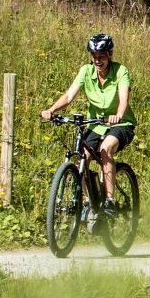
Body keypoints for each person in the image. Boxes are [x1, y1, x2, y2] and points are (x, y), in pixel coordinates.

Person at [42, 32, 134, 208]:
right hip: (96, 124)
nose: (97, 61)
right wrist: (51, 110)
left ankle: (110, 201)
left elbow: (124, 99)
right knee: (81, 157)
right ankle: (88, 201)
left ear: (110, 54)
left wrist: (119, 115)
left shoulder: (121, 71)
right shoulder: (86, 71)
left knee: (106, 149)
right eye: (94, 57)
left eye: (101, 57)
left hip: (120, 124)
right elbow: (69, 96)